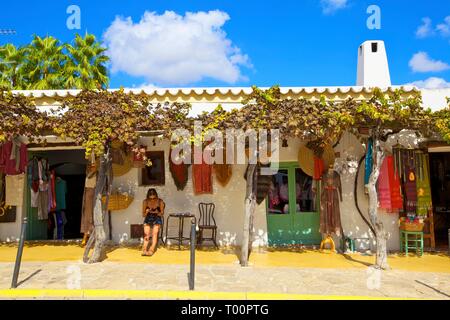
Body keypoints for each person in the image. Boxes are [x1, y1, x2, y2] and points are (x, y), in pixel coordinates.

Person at [142, 188, 165, 256]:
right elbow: (143, 215)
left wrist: (157, 212)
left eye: (154, 198)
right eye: (150, 198)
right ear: (148, 196)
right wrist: (146, 212)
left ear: (156, 196)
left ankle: (151, 249)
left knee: (155, 233)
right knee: (147, 234)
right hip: (148, 218)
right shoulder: (145, 202)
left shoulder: (160, 201)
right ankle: (144, 249)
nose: (152, 199)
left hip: (157, 218)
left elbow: (162, 213)